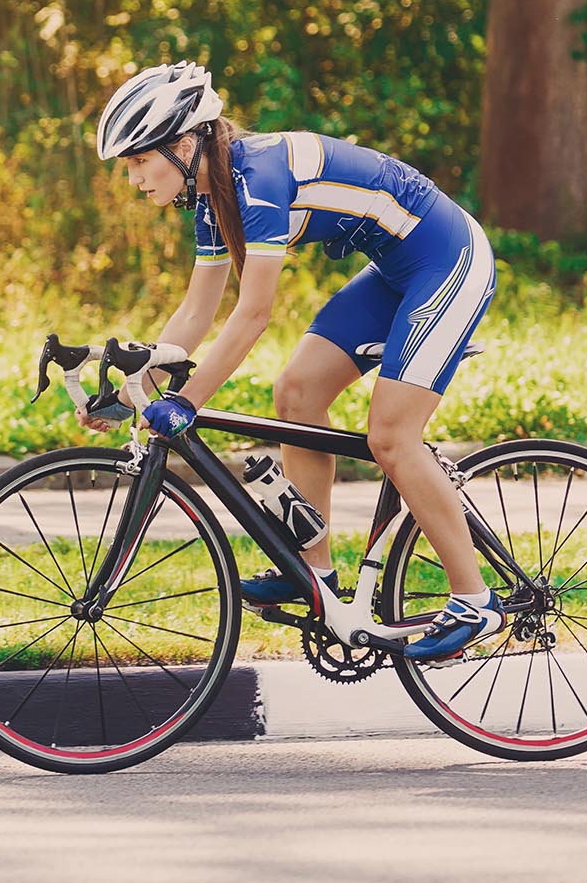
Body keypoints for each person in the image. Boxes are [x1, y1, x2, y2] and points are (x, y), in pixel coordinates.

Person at [83, 60, 500, 660]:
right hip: (393, 271)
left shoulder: (256, 179)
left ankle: (474, 602)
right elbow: (197, 314)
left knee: (391, 435)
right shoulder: (212, 197)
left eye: (140, 161)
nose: (133, 179)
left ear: (182, 145)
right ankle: (316, 575)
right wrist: (134, 392)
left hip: (447, 259)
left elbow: (254, 313)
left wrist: (188, 401)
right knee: (297, 394)